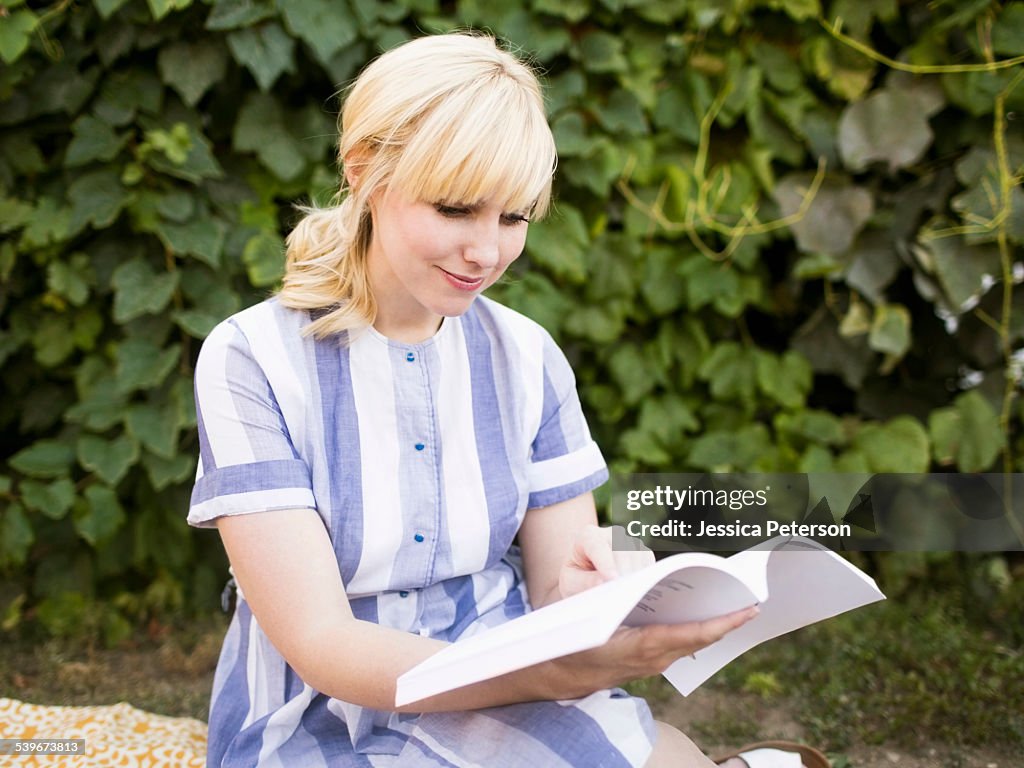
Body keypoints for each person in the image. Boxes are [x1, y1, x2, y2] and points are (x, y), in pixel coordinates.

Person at [187, 32, 822, 768]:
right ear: (364, 173)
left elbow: (561, 578)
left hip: (504, 680)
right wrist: (548, 672)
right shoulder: (251, 359)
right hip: (322, 711)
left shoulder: (527, 357)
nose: (487, 253)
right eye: (456, 209)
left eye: (514, 217)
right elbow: (324, 645)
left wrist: (610, 588)